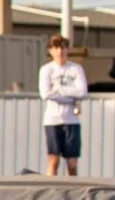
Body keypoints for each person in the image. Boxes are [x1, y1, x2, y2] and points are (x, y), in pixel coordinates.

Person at [38, 33, 88, 177]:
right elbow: (45, 94)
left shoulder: (76, 69)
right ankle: (51, 190)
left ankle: (72, 190)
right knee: (54, 160)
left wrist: (59, 90)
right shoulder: (46, 70)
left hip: (71, 119)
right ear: (51, 50)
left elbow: (82, 92)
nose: (60, 51)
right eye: (57, 48)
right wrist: (70, 97)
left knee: (72, 163)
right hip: (52, 120)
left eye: (63, 47)